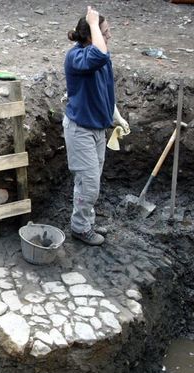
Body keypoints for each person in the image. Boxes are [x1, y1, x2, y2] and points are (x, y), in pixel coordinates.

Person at [63, 6, 129, 246]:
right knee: (89, 185)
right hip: (80, 130)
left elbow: (104, 92)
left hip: (97, 129)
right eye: (105, 32)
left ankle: (85, 221)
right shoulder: (78, 57)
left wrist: (115, 115)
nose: (109, 36)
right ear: (91, 36)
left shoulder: (99, 57)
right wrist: (93, 22)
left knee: (90, 182)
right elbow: (99, 54)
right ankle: (80, 228)